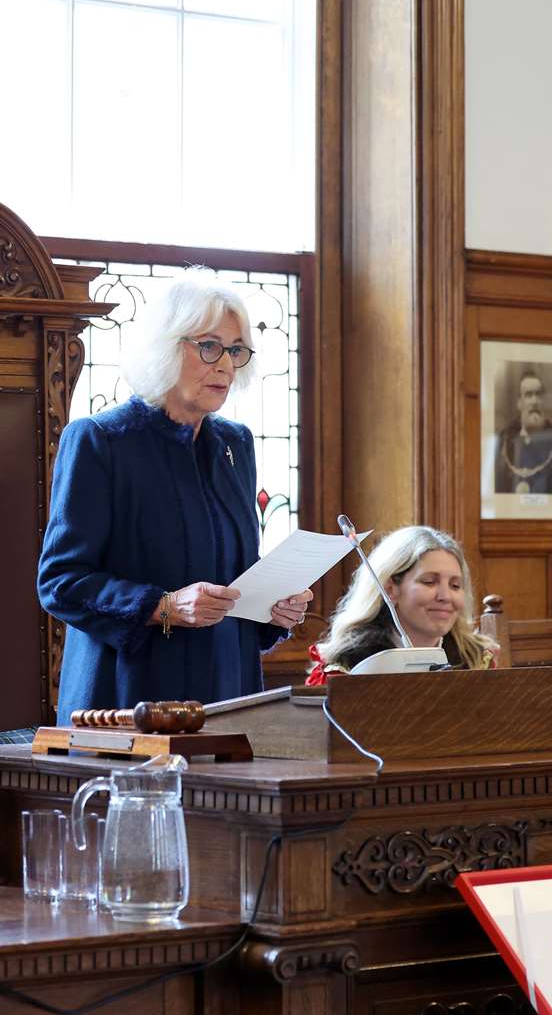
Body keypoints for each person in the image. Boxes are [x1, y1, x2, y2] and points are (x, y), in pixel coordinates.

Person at [38, 275, 313, 721]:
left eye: (236, 350)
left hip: (228, 694)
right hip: (128, 697)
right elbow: (61, 582)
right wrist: (164, 607)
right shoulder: (100, 441)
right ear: (165, 347)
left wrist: (272, 608)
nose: (225, 364)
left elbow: (234, 575)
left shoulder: (235, 445)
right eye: (209, 346)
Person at [307, 526, 497, 682]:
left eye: (455, 585)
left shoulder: (477, 659)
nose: (445, 596)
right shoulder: (347, 664)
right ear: (390, 589)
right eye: (429, 582)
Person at [493, 369, 552, 494]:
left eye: (539, 395)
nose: (534, 401)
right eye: (528, 395)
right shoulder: (504, 442)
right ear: (519, 403)